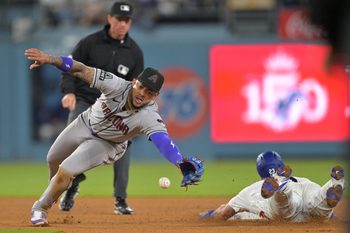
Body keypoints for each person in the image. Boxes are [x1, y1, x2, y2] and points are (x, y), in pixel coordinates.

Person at [24, 48, 204, 226]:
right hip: (85, 124)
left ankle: (40, 207)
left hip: (107, 144)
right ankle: (57, 188)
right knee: (52, 159)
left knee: (66, 170)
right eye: (141, 87)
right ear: (134, 82)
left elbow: (162, 141)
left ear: (156, 96)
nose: (142, 94)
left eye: (149, 92)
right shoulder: (115, 84)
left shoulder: (149, 116)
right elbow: (82, 69)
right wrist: (50, 59)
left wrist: (179, 162)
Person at [59, 1, 144, 215]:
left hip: (114, 109)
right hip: (86, 101)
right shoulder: (89, 43)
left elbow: (137, 87)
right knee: (67, 145)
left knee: (124, 147)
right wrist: (69, 92)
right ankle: (71, 185)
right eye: (119, 19)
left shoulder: (134, 51)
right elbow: (69, 68)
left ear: (130, 22)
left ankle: (121, 199)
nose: (122, 24)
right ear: (109, 18)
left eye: (127, 20)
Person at [199, 151, 345, 222]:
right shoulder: (302, 179)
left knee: (283, 205)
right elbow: (333, 216)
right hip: (304, 187)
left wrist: (211, 213)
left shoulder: (250, 190)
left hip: (286, 212)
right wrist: (331, 215)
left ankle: (281, 186)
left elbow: (225, 214)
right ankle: (335, 183)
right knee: (319, 202)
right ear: (280, 165)